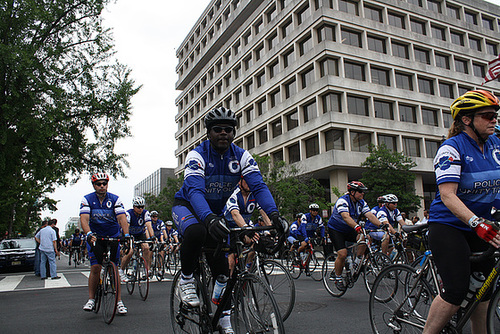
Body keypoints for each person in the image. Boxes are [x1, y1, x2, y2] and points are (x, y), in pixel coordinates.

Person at [172, 107, 288, 334]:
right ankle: (186, 280)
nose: (223, 133)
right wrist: (208, 218)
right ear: (208, 133)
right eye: (217, 129)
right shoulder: (197, 155)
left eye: (228, 129)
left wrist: (274, 215)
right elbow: (195, 192)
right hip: (189, 206)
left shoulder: (242, 156)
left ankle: (223, 317)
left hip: (215, 213)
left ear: (234, 132)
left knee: (223, 273)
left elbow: (258, 186)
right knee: (197, 232)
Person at [423, 90, 500, 334]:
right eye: (487, 115)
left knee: (484, 294)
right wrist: (476, 222)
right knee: (456, 291)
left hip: (484, 224)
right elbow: (447, 195)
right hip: (450, 225)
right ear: (466, 120)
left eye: (496, 115)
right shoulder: (451, 149)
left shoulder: (496, 143)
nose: (494, 120)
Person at [327, 181, 396, 291]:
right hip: (336, 230)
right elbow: (345, 217)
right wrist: (357, 227)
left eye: (363, 192)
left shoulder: (361, 202)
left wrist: (382, 225)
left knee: (365, 238)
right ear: (352, 192)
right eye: (360, 192)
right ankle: (338, 277)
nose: (362, 194)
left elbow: (370, 216)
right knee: (342, 254)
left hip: (350, 228)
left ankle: (357, 262)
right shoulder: (343, 201)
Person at [80, 172, 129, 315]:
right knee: (96, 267)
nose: (102, 186)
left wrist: (126, 235)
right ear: (94, 185)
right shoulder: (87, 199)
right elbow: (84, 219)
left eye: (104, 183)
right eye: (98, 184)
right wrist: (89, 234)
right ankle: (91, 299)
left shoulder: (115, 199)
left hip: (112, 235)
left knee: (114, 270)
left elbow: (122, 219)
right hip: (95, 237)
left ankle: (119, 301)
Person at [223, 177, 271, 273]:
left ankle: (245, 269)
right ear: (240, 182)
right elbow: (235, 214)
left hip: (242, 228)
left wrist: (270, 228)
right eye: (247, 180)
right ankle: (226, 286)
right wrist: (247, 229)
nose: (250, 182)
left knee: (256, 242)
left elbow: (263, 212)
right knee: (231, 260)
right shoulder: (233, 193)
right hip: (228, 228)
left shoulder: (254, 195)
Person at [120, 196, 155, 277]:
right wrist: (127, 237)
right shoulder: (129, 213)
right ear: (134, 207)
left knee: (146, 248)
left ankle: (146, 270)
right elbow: (127, 226)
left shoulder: (145, 213)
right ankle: (121, 270)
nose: (140, 209)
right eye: (138, 207)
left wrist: (152, 236)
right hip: (130, 234)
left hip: (140, 234)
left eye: (142, 207)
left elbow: (149, 225)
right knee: (130, 252)